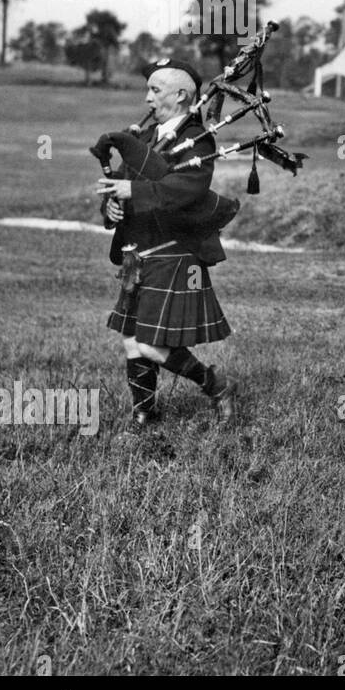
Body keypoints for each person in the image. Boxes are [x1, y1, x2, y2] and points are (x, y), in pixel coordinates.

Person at [95, 59, 235, 426]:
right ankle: (147, 415)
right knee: (131, 340)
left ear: (182, 95)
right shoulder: (146, 138)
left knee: (152, 345)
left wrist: (133, 189)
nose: (147, 99)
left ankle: (215, 384)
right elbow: (124, 187)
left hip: (174, 253)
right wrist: (112, 207)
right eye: (148, 90)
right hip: (137, 253)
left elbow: (185, 190)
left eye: (155, 90)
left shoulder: (199, 141)